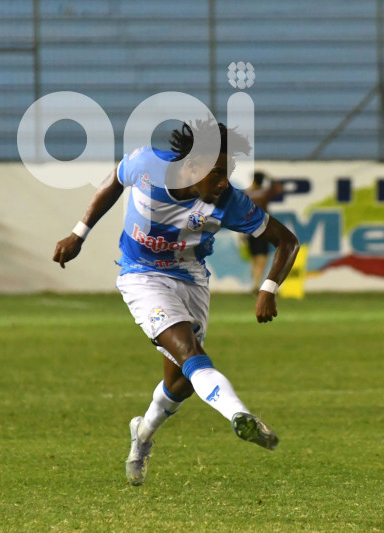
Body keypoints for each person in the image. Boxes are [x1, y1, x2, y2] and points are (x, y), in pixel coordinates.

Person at [52, 119, 300, 486]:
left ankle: (142, 435)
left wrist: (268, 289)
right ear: (192, 165)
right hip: (142, 276)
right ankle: (240, 416)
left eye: (228, 173)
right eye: (217, 173)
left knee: (182, 381)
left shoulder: (229, 203)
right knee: (190, 353)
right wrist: (79, 233)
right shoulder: (147, 164)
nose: (224, 182)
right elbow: (115, 181)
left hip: (191, 279)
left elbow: (287, 241)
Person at [243, 171, 283, 293]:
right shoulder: (264, 193)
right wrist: (269, 177)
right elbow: (279, 189)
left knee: (254, 259)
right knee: (262, 259)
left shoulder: (247, 194)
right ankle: (256, 285)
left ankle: (254, 284)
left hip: (249, 229)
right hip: (262, 229)